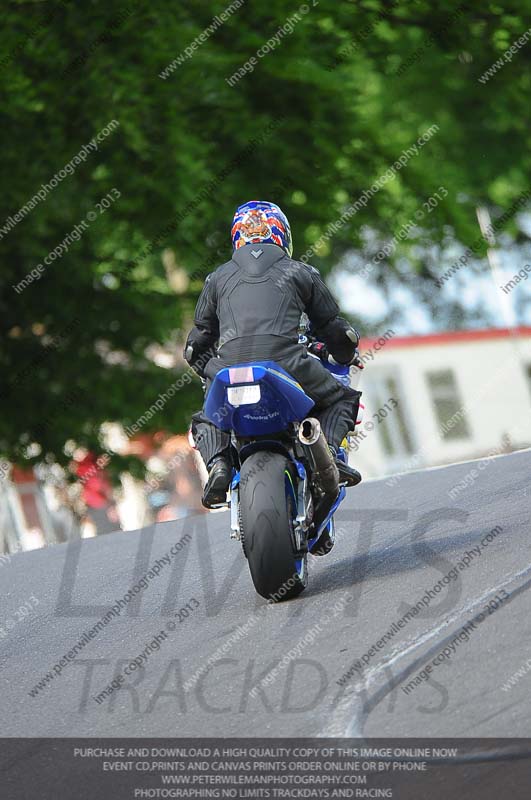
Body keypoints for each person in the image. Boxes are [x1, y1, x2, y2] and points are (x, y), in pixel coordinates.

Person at [185, 200, 362, 508]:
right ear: (281, 234)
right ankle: (329, 455)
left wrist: (210, 369)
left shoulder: (217, 278)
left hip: (229, 370)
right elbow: (335, 330)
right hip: (288, 364)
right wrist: (343, 355)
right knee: (343, 397)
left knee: (208, 417)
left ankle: (218, 465)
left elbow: (194, 346)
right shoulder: (300, 271)